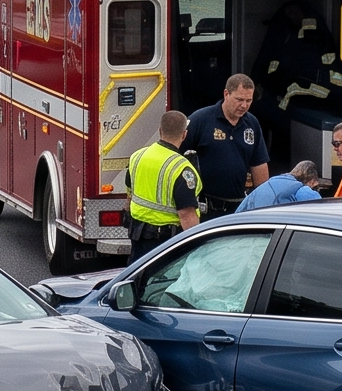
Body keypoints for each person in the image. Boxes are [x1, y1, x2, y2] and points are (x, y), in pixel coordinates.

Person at [183, 74, 271, 218]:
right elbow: (177, 156)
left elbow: (259, 163)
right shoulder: (200, 120)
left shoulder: (252, 124)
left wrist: (263, 202)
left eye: (249, 101)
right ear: (226, 94)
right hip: (206, 208)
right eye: (239, 100)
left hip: (239, 207)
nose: (244, 106)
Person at [124, 109, 203, 258]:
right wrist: (197, 248)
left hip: (138, 235)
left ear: (160, 131)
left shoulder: (137, 156)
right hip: (166, 241)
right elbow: (186, 214)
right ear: (184, 134)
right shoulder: (181, 168)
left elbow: (129, 194)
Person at [237, 160, 325, 211]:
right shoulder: (301, 189)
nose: (315, 190)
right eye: (315, 188)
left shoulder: (268, 183)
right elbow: (321, 211)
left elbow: (238, 213)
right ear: (312, 181)